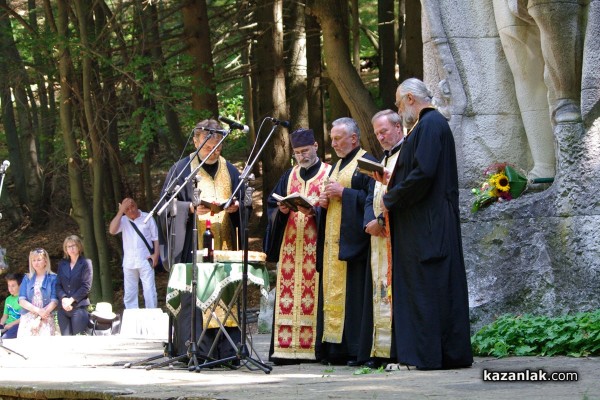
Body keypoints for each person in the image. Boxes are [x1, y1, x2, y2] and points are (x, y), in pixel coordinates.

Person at [379, 78, 473, 370]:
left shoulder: (431, 124)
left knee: (427, 286)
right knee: (430, 286)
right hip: (426, 221)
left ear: (409, 98)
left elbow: (424, 174)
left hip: (428, 223)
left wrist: (391, 197)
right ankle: (434, 354)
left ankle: (423, 355)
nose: (397, 109)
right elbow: (417, 170)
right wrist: (390, 180)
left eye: (398, 102)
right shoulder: (425, 126)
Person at [159, 118, 242, 360]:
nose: (213, 151)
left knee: (224, 296)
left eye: (217, 147)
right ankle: (194, 351)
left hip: (224, 247)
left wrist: (238, 208)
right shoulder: (182, 169)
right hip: (192, 247)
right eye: (207, 147)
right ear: (196, 142)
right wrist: (190, 209)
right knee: (195, 300)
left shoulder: (232, 170)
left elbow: (243, 203)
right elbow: (165, 207)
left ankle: (226, 351)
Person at [263, 128, 331, 364]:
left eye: (305, 151)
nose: (302, 156)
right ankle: (285, 350)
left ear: (315, 146)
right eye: (297, 152)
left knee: (315, 297)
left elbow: (334, 211)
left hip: (316, 246)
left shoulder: (328, 173)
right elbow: (273, 206)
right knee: (288, 294)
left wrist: (316, 211)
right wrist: (281, 211)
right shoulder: (288, 176)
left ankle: (313, 349)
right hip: (290, 247)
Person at [317, 117, 377, 366]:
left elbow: (373, 197)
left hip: (355, 243)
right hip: (333, 243)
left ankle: (354, 349)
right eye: (332, 139)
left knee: (353, 296)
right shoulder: (337, 165)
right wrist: (323, 203)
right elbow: (333, 197)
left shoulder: (366, 161)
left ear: (354, 138)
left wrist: (344, 194)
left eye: (338, 138)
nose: (333, 143)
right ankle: (334, 349)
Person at [359, 110, 404, 368]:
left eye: (384, 131)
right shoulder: (382, 160)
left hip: (393, 235)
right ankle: (378, 350)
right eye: (377, 133)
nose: (380, 137)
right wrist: (369, 222)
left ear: (398, 128)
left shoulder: (404, 156)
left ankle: (394, 350)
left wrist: (382, 221)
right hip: (376, 236)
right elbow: (370, 195)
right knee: (377, 293)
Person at [109, 197, 159, 309]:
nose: (131, 210)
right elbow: (112, 231)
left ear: (136, 205)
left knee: (149, 291)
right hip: (129, 262)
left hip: (146, 260)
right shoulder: (122, 220)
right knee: (130, 293)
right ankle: (132, 317)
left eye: (132, 206)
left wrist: (156, 254)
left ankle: (152, 315)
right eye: (127, 209)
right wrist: (120, 211)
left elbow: (156, 238)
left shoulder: (148, 217)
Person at [56, 235, 93, 335]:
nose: (71, 248)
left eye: (74, 245)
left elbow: (86, 286)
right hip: (63, 308)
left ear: (79, 247)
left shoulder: (86, 263)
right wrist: (64, 299)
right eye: (68, 246)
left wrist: (71, 300)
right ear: (65, 249)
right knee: (66, 341)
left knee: (78, 340)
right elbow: (58, 285)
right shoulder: (62, 264)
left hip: (79, 307)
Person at [17, 248, 59, 337]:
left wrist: (42, 315)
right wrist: (38, 311)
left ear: (45, 261)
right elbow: (21, 300)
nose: (36, 263)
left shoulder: (53, 278)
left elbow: (54, 300)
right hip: (28, 317)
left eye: (39, 260)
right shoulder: (27, 278)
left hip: (46, 316)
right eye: (34, 260)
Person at [1, 272, 24, 339]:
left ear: (20, 285)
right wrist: (1, 326)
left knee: (5, 339)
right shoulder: (8, 299)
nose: (10, 288)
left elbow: (24, 318)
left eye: (13, 286)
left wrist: (11, 324)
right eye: (9, 285)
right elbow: (5, 316)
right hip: (7, 325)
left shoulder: (23, 299)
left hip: (17, 325)